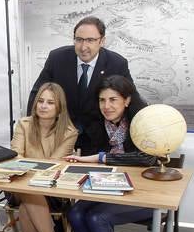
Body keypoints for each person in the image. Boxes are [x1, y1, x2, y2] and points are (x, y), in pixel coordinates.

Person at [63, 75, 156, 232]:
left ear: (127, 100)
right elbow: (89, 157)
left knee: (97, 217)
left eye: (113, 99)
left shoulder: (142, 123)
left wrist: (101, 157)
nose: (107, 106)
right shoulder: (98, 124)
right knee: (75, 213)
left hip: (144, 194)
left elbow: (146, 158)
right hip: (110, 187)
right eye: (102, 100)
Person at [26, 16, 133, 150]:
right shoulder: (57, 58)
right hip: (60, 135)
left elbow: (131, 99)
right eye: (79, 40)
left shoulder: (116, 64)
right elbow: (37, 93)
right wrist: (32, 130)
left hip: (99, 139)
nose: (83, 47)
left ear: (102, 41)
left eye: (90, 40)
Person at [10, 82, 78, 232]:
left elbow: (53, 166)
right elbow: (15, 158)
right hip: (19, 183)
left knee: (26, 208)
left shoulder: (69, 132)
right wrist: (25, 167)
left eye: (50, 102)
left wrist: (27, 166)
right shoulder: (24, 124)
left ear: (59, 108)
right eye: (40, 101)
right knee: (28, 195)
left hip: (51, 188)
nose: (43, 106)